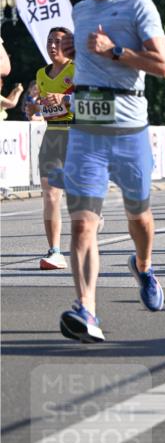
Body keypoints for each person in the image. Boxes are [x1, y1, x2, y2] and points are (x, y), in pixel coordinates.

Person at [59, 0, 165, 343]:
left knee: (138, 216)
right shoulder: (80, 10)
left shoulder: (139, 6)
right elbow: (87, 58)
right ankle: (86, 309)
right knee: (83, 224)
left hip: (128, 130)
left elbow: (163, 66)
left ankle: (143, 266)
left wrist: (116, 52)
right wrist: (75, 52)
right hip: (86, 130)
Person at [25, 27, 76, 270]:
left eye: (58, 41)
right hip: (53, 136)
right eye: (49, 41)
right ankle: (55, 251)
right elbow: (48, 111)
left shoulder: (78, 70)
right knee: (51, 194)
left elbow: (88, 104)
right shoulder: (41, 74)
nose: (52, 45)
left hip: (78, 136)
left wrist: (63, 100)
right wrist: (36, 110)